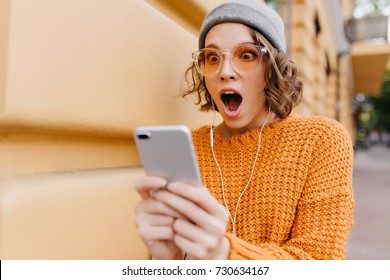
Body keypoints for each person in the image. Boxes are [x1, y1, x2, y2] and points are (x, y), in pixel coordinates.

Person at [134, 0, 354, 260]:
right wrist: (168, 260)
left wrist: (224, 254)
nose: (225, 72)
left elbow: (321, 262)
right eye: (213, 58)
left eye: (246, 55)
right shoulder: (190, 148)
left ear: (273, 67)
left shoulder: (321, 140)